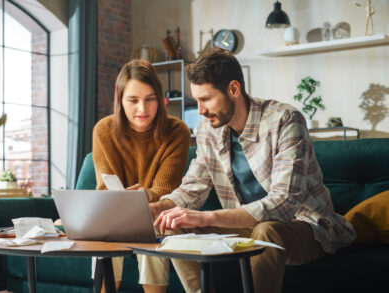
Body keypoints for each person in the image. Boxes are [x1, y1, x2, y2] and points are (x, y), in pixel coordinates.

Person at [151, 47, 356, 293]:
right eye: (197, 101)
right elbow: (191, 189)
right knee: (172, 223)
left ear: (234, 89)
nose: (201, 110)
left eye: (206, 99)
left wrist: (208, 216)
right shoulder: (208, 132)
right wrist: (156, 208)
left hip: (305, 227)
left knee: (266, 230)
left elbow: (283, 203)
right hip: (246, 227)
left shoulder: (285, 120)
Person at [92, 59, 191, 293]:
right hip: (114, 215)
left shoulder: (177, 131)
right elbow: (105, 192)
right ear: (120, 101)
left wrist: (143, 196)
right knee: (107, 229)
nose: (142, 109)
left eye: (150, 99)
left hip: (157, 214)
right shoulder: (103, 130)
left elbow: (165, 192)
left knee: (152, 225)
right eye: (133, 100)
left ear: (160, 98)